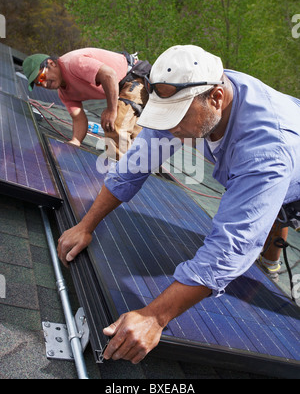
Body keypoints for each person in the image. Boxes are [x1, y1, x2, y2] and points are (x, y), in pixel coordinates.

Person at [57, 45, 300, 364]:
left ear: (216, 98)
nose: (171, 129)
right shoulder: (192, 93)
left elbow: (231, 246)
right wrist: (85, 225)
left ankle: (270, 266)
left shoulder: (264, 151)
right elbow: (134, 166)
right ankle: (270, 261)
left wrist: (155, 317)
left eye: (179, 117)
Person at [22, 48, 150, 159]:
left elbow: (109, 75)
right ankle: (148, 168)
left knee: (114, 127)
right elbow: (78, 118)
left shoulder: (73, 63)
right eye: (39, 83)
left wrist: (111, 110)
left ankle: (119, 178)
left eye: (42, 77)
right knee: (139, 139)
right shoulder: (64, 93)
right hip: (121, 88)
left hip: (133, 76)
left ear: (51, 63)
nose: (44, 84)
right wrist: (75, 141)